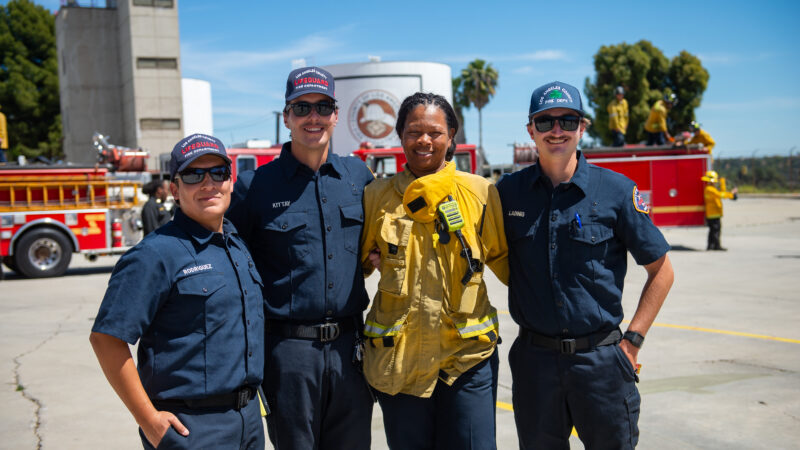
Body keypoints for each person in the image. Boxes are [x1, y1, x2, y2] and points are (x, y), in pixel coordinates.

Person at [496, 81, 675, 449]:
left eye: (568, 120)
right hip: (535, 363)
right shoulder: (505, 193)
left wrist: (633, 342)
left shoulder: (617, 191)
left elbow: (662, 270)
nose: (556, 130)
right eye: (545, 122)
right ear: (531, 130)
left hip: (602, 363)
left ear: (583, 127)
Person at [227, 66, 375, 450]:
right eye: (303, 107)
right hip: (288, 355)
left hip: (351, 350)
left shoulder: (359, 178)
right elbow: (230, 267)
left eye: (323, 106)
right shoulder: (254, 187)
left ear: (336, 115)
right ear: (287, 117)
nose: (314, 116)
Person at [90, 134, 266, 449]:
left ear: (230, 181)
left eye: (218, 173)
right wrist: (149, 420)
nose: (209, 183)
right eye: (194, 175)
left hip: (248, 420)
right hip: (192, 429)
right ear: (175, 189)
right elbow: (106, 339)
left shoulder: (236, 244)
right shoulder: (155, 254)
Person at [360, 92, 508, 449]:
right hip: (400, 363)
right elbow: (358, 265)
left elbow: (507, 263)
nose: (424, 140)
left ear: (451, 136)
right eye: (413, 131)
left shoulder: (481, 193)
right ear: (400, 136)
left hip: (466, 362)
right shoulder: (377, 196)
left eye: (435, 132)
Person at [702, 170, 737, 251]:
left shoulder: (710, 188)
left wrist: (722, 182)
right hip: (713, 214)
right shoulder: (710, 189)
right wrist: (732, 194)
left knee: (712, 231)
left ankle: (710, 246)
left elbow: (722, 192)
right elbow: (721, 194)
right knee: (716, 230)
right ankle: (716, 246)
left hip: (713, 213)